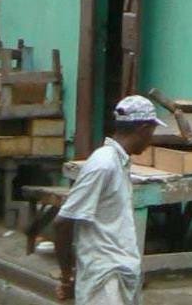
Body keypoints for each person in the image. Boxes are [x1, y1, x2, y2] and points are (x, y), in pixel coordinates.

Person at [53, 94, 159, 304]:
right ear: (143, 129)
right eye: (152, 132)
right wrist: (68, 275)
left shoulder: (119, 162)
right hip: (104, 280)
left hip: (120, 275)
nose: (151, 138)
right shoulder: (104, 164)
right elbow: (63, 222)